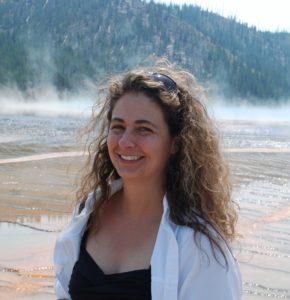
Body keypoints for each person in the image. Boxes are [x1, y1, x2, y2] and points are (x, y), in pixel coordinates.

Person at [54, 64, 243, 300]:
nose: (125, 142)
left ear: (175, 142)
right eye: (118, 127)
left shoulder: (199, 245)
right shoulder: (88, 212)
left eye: (144, 129)